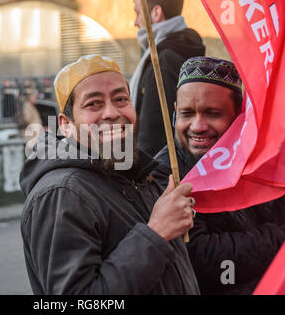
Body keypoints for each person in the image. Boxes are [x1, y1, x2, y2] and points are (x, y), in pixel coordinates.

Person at [20, 55, 199, 294]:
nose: (112, 112)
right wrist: (156, 232)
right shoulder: (62, 194)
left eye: (121, 99)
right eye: (93, 103)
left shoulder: (137, 175)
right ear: (66, 124)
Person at [152, 56, 285, 294]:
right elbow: (202, 258)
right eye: (187, 113)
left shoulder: (250, 159)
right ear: (174, 112)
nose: (197, 126)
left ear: (238, 116)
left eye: (212, 113)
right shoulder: (165, 174)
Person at [130, 0, 205, 157]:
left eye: (138, 13)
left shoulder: (162, 60)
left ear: (156, 13)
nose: (135, 22)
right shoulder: (183, 49)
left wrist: (143, 175)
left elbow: (154, 130)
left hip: (160, 170)